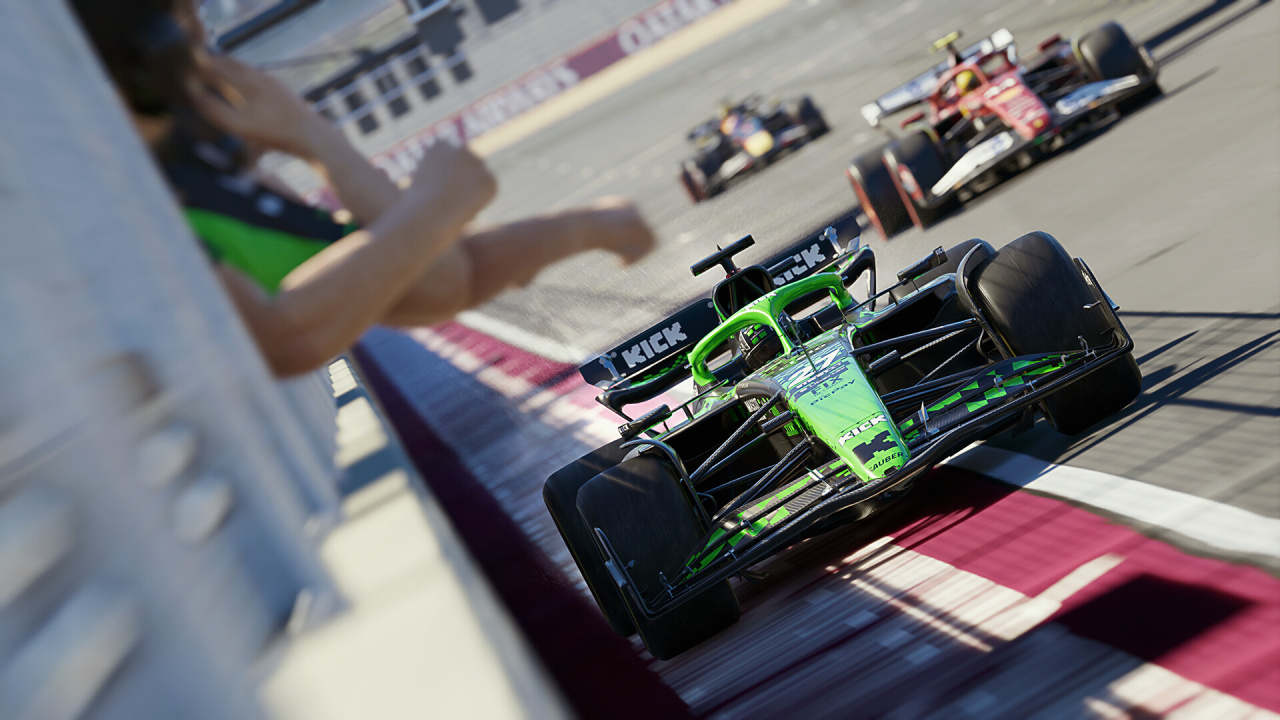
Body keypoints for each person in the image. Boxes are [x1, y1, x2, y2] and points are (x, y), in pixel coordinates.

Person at [72, 0, 656, 376]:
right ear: (144, 53)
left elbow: (420, 275)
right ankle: (594, 224)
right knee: (420, 242)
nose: (204, 33)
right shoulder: (123, 193)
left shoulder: (194, 146)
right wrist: (438, 203)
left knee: (418, 251)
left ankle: (597, 223)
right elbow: (285, 341)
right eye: (185, 17)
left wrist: (312, 135)